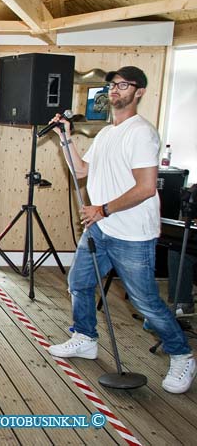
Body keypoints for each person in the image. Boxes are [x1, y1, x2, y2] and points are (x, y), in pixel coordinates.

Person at [47, 66, 195, 394]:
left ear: (139, 92)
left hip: (132, 234)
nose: (115, 90)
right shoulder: (107, 134)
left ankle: (182, 354)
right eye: (112, 85)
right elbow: (82, 170)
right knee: (80, 283)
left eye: (123, 85)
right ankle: (85, 337)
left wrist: (101, 209)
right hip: (102, 229)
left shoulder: (141, 132)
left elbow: (144, 188)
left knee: (145, 302)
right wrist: (65, 139)